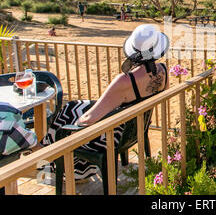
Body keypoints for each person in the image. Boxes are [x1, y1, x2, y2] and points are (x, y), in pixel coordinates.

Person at [39, 24, 170, 180]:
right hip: (136, 129)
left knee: (64, 123)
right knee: (72, 107)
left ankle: (45, 160)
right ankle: (45, 155)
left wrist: (74, 125)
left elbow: (88, 119)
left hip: (114, 136)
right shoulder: (163, 71)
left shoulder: (125, 81)